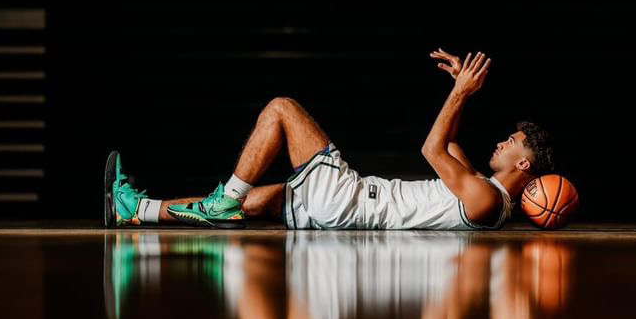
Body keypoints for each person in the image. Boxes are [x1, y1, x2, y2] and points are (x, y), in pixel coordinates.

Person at [104, 49, 553, 229]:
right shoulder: (483, 195)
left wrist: (459, 94)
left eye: (511, 141)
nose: (500, 143)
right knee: (256, 202)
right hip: (342, 210)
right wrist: (461, 94)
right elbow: (452, 147)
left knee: (282, 108)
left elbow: (431, 149)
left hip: (350, 199)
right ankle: (135, 208)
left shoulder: (487, 201)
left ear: (524, 164)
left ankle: (226, 200)